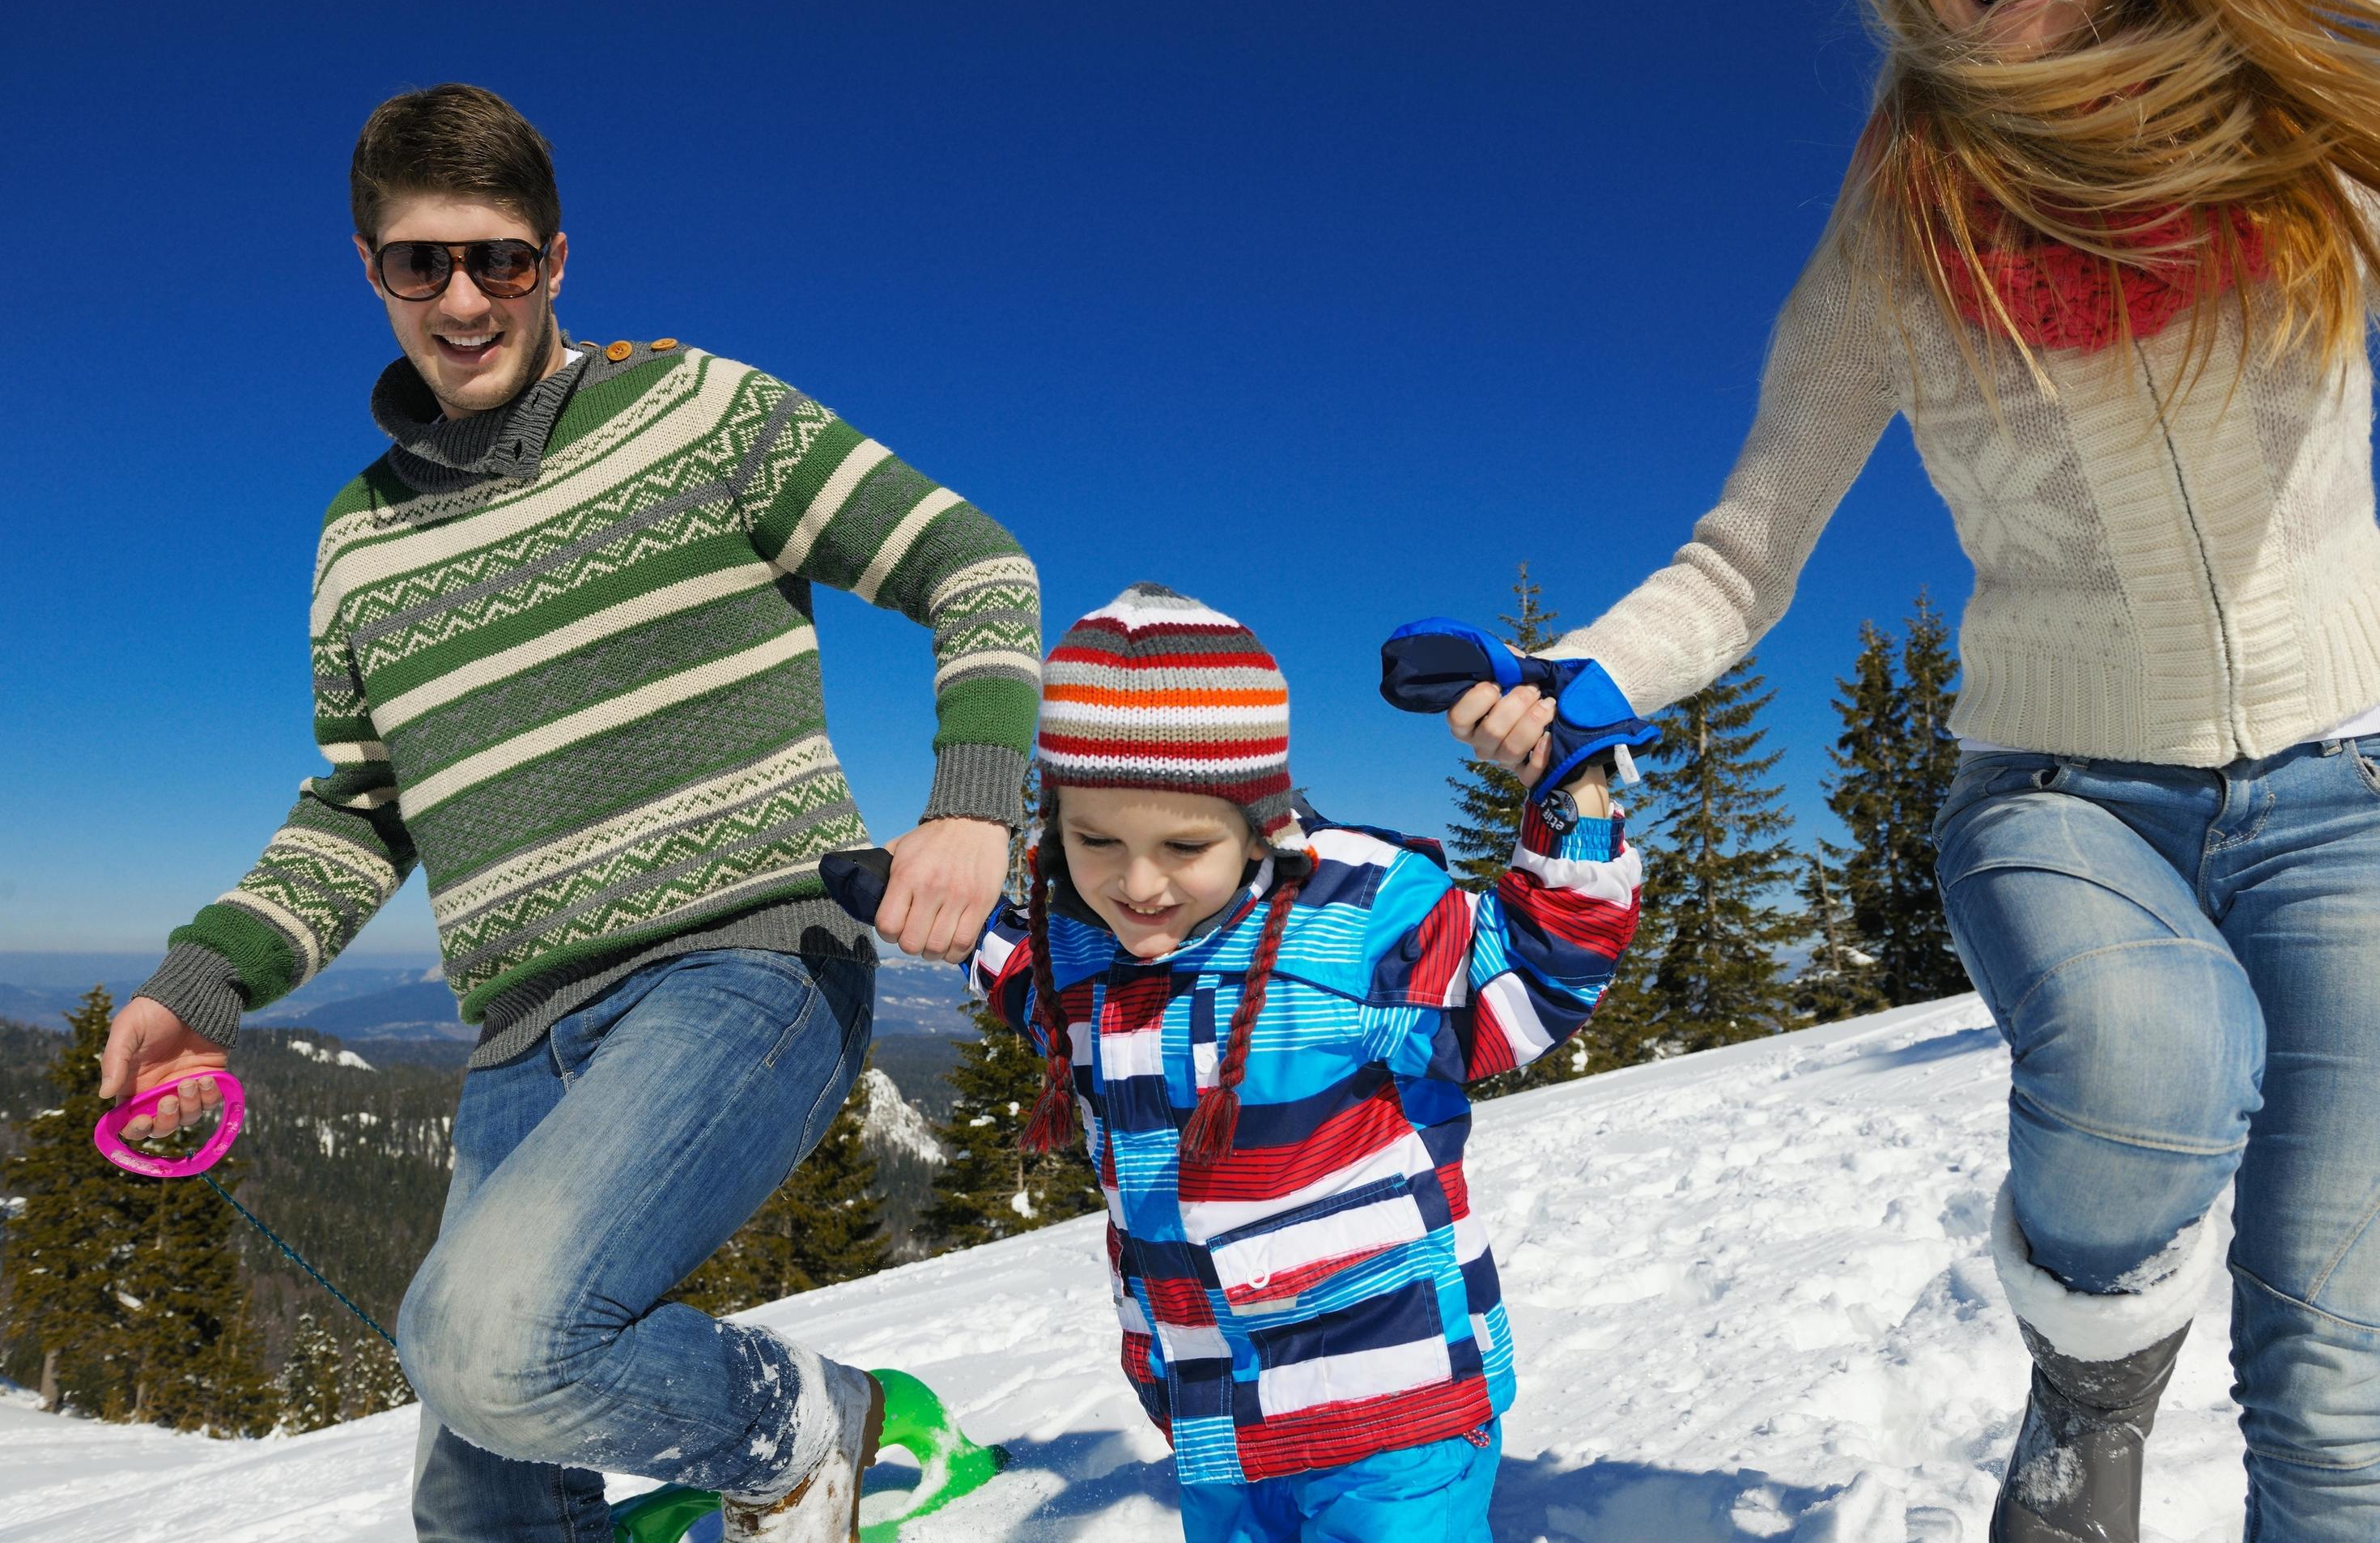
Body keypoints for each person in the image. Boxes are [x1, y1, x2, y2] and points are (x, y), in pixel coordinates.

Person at [1451, 0, 2380, 1538]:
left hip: (2351, 787)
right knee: (2150, 1061)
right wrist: (1582, 671)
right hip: (2063, 791)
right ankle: (2091, 1374)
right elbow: (1744, 557)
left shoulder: (2316, 131)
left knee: (2344, 1365)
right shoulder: (1903, 235)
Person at [95, 83, 1043, 1543]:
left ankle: (815, 1431)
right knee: (479, 1498)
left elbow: (975, 566)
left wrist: (974, 805)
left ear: (556, 258)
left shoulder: (702, 411)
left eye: (502, 260)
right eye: (423, 263)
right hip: (522, 1037)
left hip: (748, 969)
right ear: (370, 268)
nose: (463, 298)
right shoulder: (358, 540)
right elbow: (360, 809)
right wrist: (203, 982)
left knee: (492, 1345)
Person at [950, 584, 1643, 1542]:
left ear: (1258, 821)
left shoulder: (1357, 918)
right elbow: (1036, 988)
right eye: (1095, 840)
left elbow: (1533, 978)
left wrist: (1574, 789)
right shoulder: (1080, 940)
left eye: (1184, 845)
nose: (1137, 883)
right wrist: (951, 918)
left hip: (1393, 1415)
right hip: (1215, 1417)